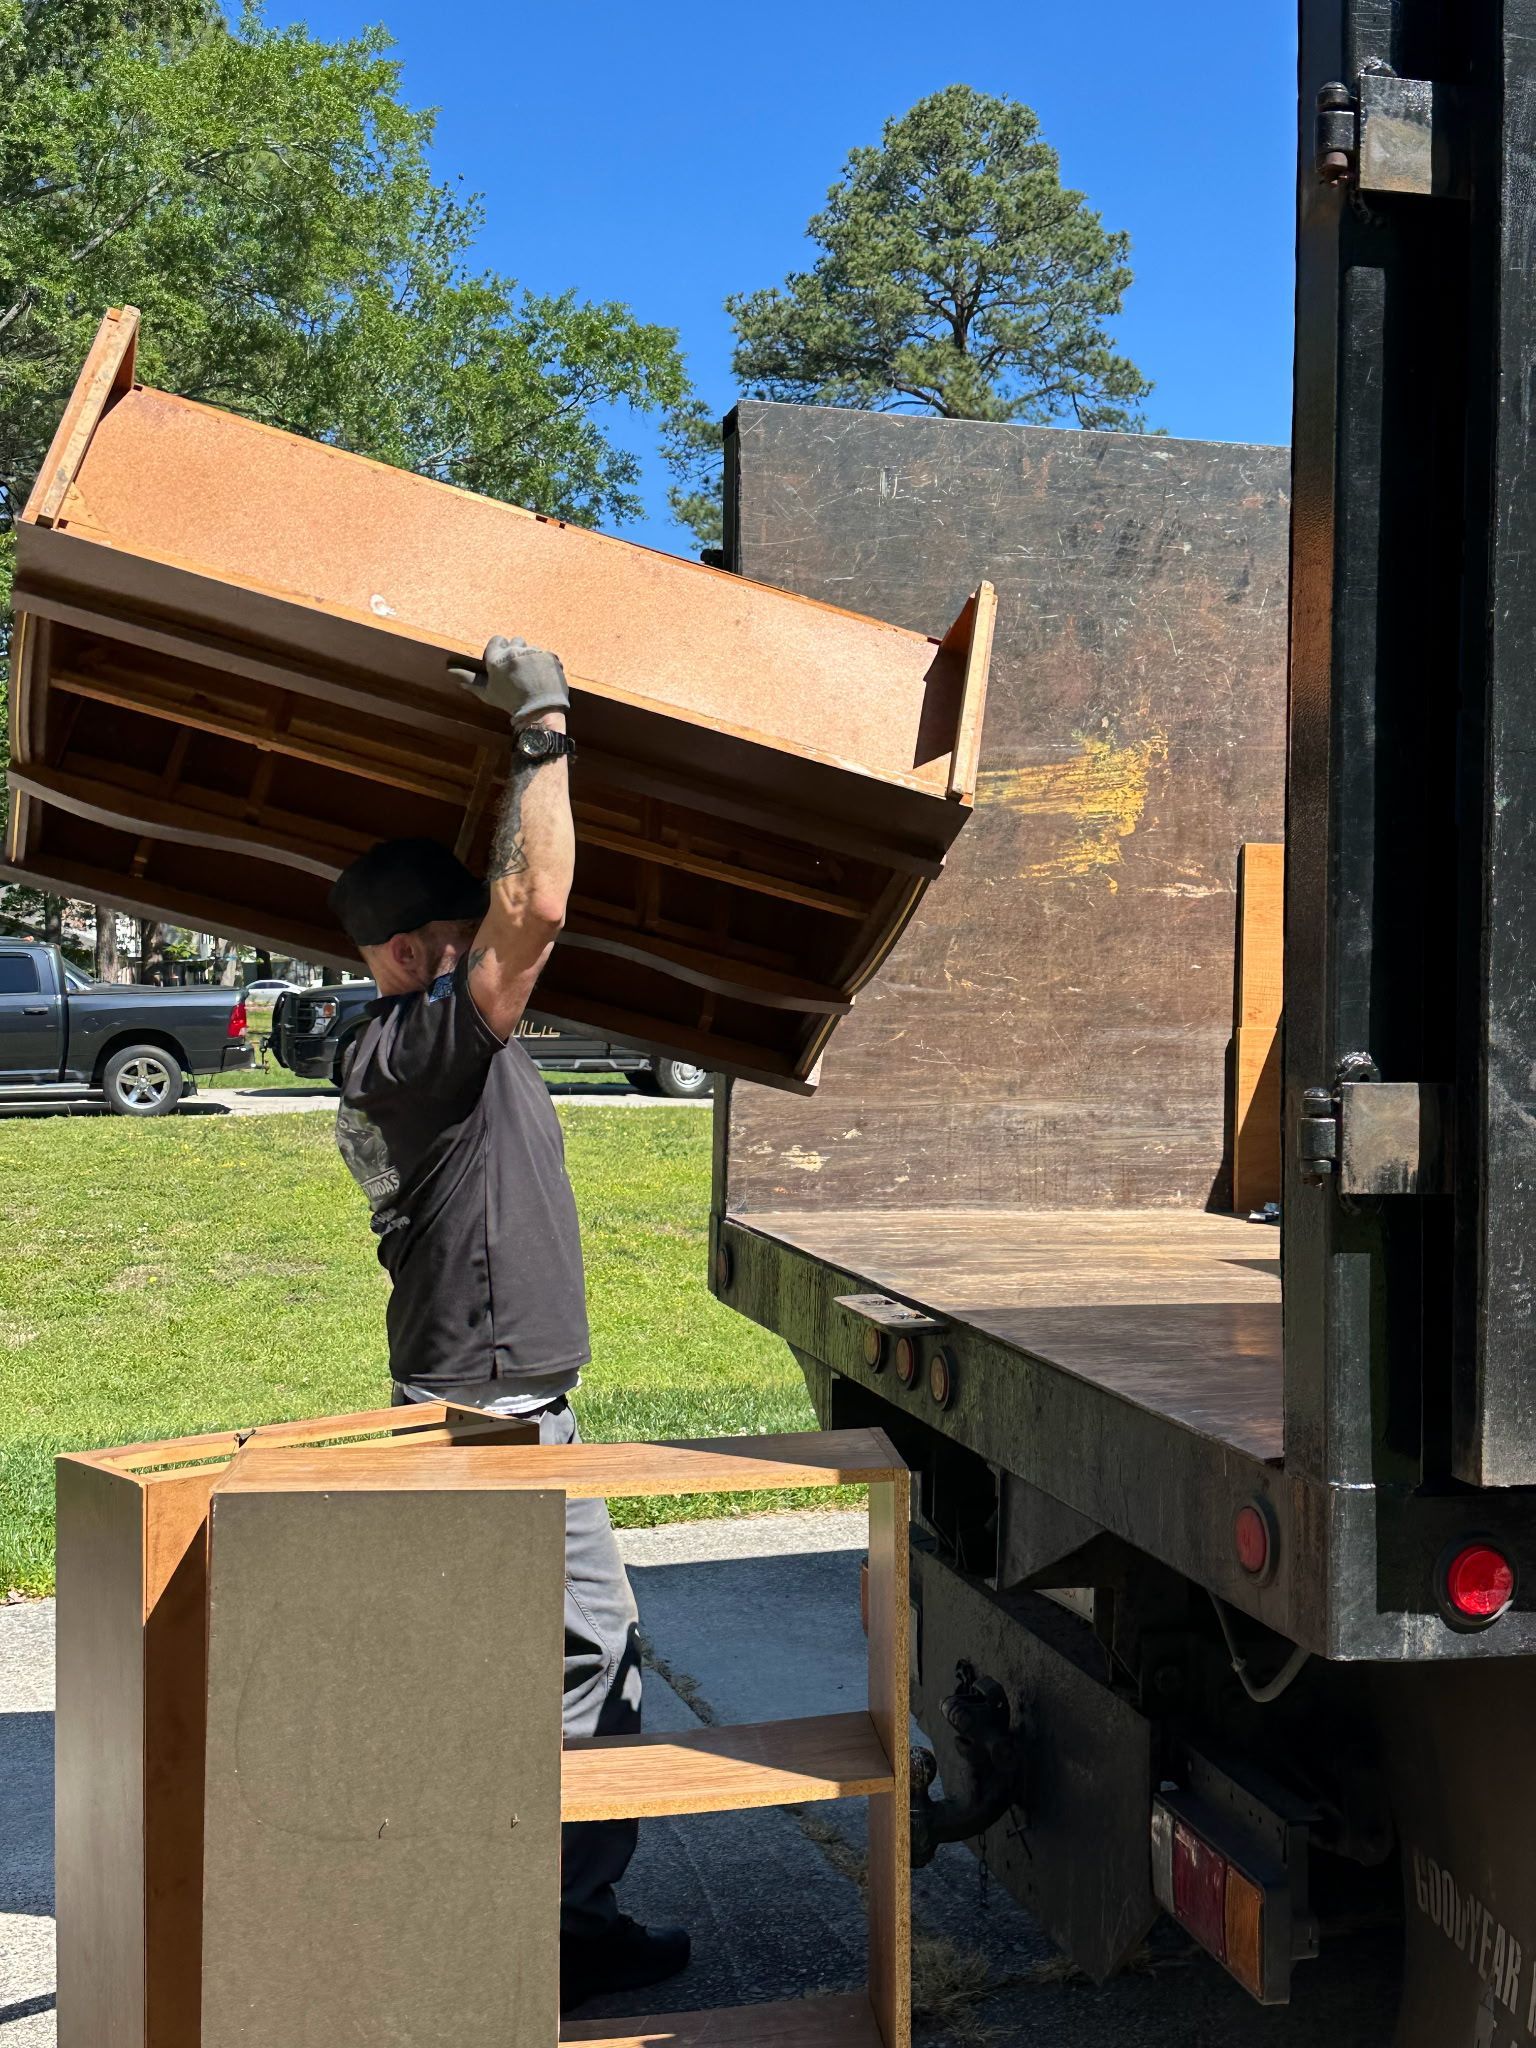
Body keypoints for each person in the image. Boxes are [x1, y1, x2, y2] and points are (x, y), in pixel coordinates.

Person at [326, 635, 689, 2013]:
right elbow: (533, 905)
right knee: (557, 1663)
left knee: (557, 1659)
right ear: (424, 951)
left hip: (497, 1396)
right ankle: (522, 1938)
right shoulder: (416, 1045)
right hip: (489, 1412)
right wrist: (540, 723)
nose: (495, 947)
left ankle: (544, 1918)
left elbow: (514, 907)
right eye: (463, 937)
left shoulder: (429, 1035)